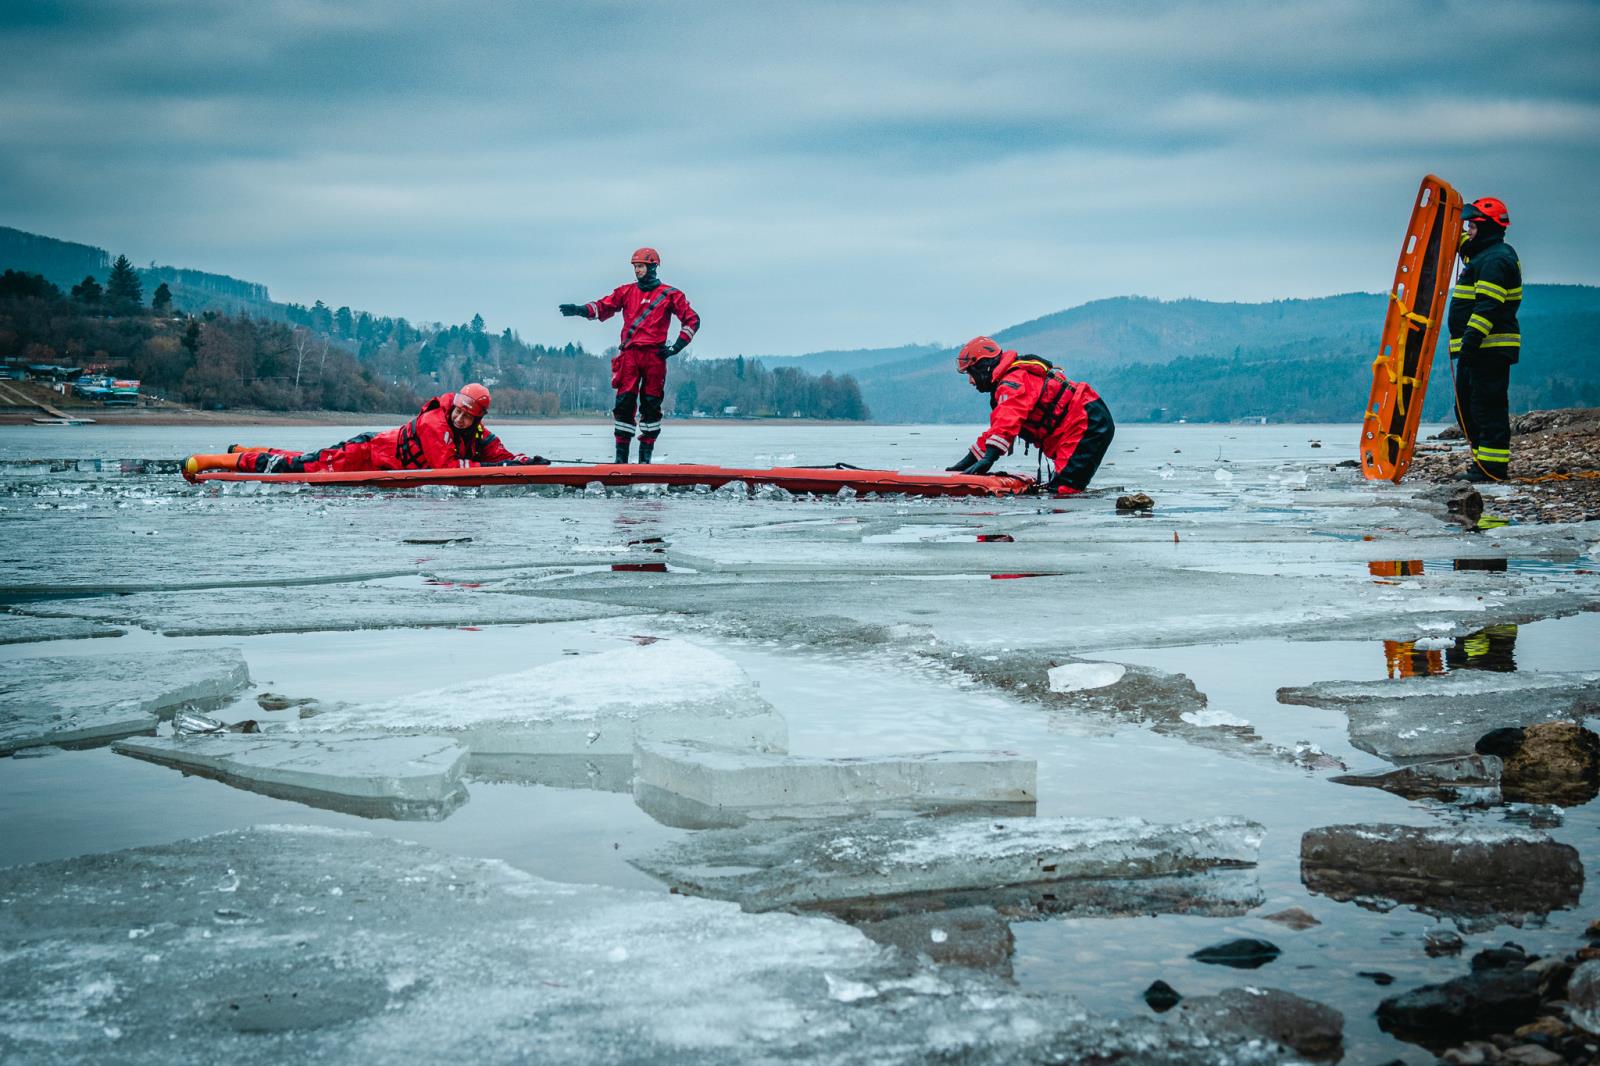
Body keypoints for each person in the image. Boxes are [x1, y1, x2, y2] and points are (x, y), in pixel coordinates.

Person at [559, 247, 700, 464]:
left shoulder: (671, 294)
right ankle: (621, 460)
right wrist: (579, 310)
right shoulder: (626, 291)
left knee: (651, 405)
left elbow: (692, 320)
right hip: (630, 355)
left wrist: (676, 347)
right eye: (635, 267)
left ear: (652, 267)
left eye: (641, 266)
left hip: (654, 356)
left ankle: (645, 459)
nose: (637, 271)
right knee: (624, 403)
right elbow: (602, 306)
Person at [230, 384, 546, 474]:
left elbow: (499, 455)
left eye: (467, 417)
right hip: (365, 454)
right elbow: (446, 467)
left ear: (477, 419)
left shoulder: (475, 432)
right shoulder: (434, 423)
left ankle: (244, 451)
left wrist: (523, 462)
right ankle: (226, 461)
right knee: (301, 467)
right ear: (453, 406)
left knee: (307, 458)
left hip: (381, 462)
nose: (460, 419)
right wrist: (499, 467)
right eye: (458, 412)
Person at [946, 336, 1114, 496]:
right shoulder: (1011, 379)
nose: (971, 381)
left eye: (971, 374)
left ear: (983, 367)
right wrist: (965, 463)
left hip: (1086, 421)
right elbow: (998, 428)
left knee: (1064, 491)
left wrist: (989, 458)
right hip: (1082, 420)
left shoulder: (1012, 382)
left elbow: (1007, 422)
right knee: (1060, 487)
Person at [1449, 196, 1521, 483]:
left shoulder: (1495, 260)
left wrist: (1470, 342)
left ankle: (1492, 468)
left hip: (1488, 349)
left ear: (1486, 229)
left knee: (1487, 408)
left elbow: (1487, 307)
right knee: (1466, 408)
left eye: (1472, 226)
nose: (1468, 231)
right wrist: (1446, 225)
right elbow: (1465, 247)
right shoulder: (1483, 255)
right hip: (1476, 350)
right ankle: (1482, 463)